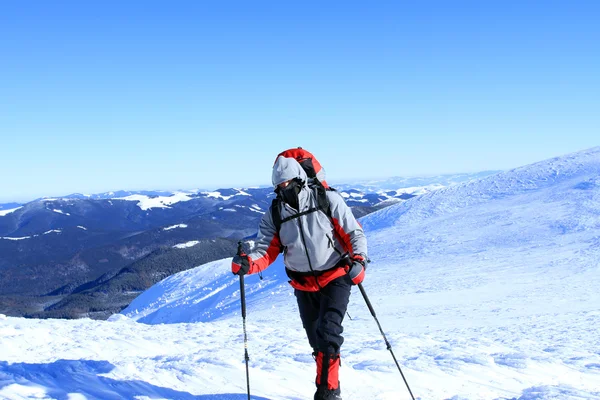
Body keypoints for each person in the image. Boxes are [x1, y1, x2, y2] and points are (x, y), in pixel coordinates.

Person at [231, 148, 368, 400]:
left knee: (328, 335)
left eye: (288, 184)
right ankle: (330, 384)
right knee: (318, 343)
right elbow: (266, 251)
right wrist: (248, 264)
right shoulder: (275, 214)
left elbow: (353, 233)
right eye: (279, 186)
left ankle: (327, 392)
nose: (284, 189)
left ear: (299, 180)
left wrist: (359, 260)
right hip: (303, 284)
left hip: (336, 275)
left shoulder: (327, 200)